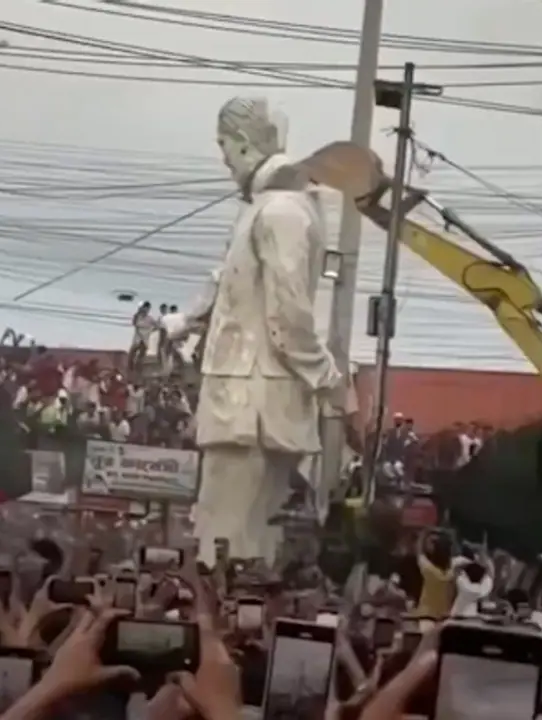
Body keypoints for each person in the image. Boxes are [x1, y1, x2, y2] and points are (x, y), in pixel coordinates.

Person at [164, 96, 352, 566]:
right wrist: (187, 318)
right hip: (249, 401)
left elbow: (289, 316)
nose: (223, 157)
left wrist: (327, 377)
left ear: (245, 144)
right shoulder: (267, 208)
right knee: (234, 533)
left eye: (225, 145)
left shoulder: (282, 212)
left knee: (227, 537)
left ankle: (221, 622)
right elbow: (226, 277)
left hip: (252, 403)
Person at [413, 531, 454, 623]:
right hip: (443, 616)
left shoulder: (429, 570)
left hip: (426, 614)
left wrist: (422, 536)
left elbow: (419, 553)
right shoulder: (451, 574)